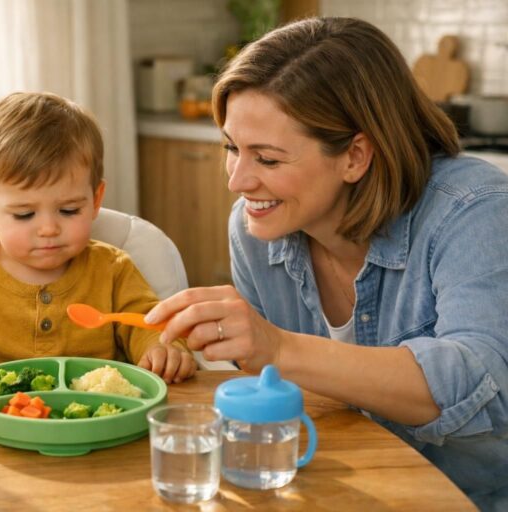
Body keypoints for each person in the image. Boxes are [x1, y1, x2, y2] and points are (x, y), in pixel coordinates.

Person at [146, 17, 508, 511]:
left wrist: (277, 347)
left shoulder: (474, 210)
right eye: (232, 148)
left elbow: (485, 383)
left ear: (355, 156)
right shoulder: (255, 230)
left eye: (267, 159)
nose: (237, 181)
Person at [0, 92, 196, 392]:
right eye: (24, 214)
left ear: (95, 201)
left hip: (97, 417)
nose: (49, 229)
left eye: (69, 210)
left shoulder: (113, 269)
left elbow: (148, 323)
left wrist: (161, 349)